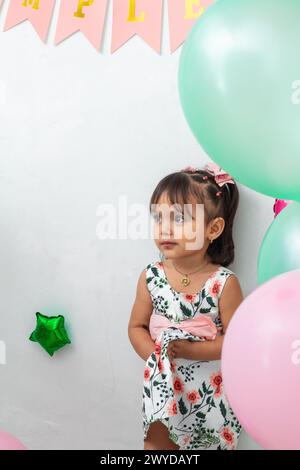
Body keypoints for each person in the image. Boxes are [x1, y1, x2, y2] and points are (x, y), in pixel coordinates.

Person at [128, 162, 244, 450]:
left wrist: (190, 351)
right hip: (163, 391)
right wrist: (156, 356)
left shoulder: (223, 283)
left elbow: (237, 342)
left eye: (179, 219)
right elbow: (136, 326)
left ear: (213, 228)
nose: (165, 228)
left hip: (210, 397)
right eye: (159, 218)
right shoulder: (151, 277)